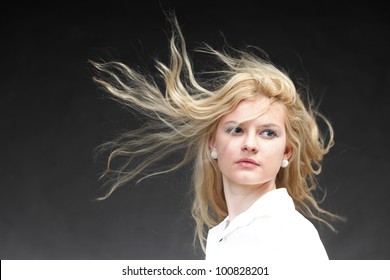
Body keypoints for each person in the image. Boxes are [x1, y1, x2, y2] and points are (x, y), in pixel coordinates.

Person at [90, 13, 343, 260]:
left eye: (268, 133)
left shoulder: (291, 236)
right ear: (214, 143)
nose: (250, 145)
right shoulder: (226, 234)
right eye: (236, 130)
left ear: (286, 151)